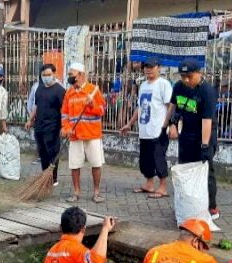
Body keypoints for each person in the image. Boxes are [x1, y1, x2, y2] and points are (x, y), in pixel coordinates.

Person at [167, 58, 220, 220]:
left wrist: (205, 146)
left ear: (199, 73)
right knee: (186, 170)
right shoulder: (178, 87)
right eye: (183, 76)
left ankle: (211, 207)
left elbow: (207, 121)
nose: (186, 80)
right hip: (186, 135)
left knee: (205, 171)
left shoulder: (207, 91)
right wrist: (169, 125)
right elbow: (173, 107)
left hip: (204, 135)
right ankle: (188, 204)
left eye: (189, 76)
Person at [120, 57, 173, 199]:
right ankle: (149, 184)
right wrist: (130, 123)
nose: (148, 70)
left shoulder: (164, 84)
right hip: (144, 130)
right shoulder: (143, 85)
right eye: (146, 67)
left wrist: (168, 125)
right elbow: (140, 106)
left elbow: (170, 107)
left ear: (158, 67)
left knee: (159, 159)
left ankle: (163, 187)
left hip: (158, 129)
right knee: (145, 160)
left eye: (151, 67)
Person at [61, 62, 107, 203]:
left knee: (96, 163)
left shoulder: (93, 90)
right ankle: (76, 192)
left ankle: (96, 192)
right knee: (74, 165)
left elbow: (102, 111)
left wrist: (92, 104)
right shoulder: (69, 93)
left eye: (71, 74)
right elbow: (65, 114)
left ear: (80, 75)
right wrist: (66, 128)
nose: (69, 77)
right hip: (75, 135)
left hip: (92, 134)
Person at [25, 63, 66, 186]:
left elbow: (64, 110)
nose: (46, 77)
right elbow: (36, 106)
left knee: (52, 153)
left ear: (54, 74)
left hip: (53, 127)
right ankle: (45, 176)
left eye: (48, 74)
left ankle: (53, 178)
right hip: (39, 126)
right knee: (42, 152)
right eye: (44, 75)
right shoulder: (40, 88)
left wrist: (64, 126)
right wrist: (30, 120)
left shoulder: (60, 90)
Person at [27, 62, 42, 165]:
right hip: (36, 117)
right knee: (38, 137)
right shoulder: (35, 86)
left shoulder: (57, 85)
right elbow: (31, 102)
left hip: (50, 119)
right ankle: (40, 157)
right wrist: (31, 117)